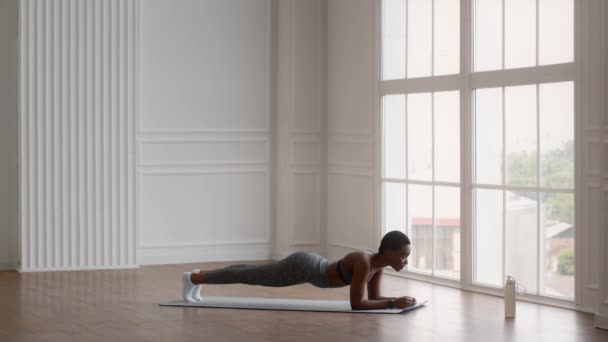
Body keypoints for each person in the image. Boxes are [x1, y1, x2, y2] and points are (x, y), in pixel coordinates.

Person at [182, 230, 417, 310]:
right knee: (251, 275)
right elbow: (357, 305)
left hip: (312, 265)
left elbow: (374, 298)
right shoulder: (365, 262)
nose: (405, 261)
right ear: (388, 252)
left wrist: (399, 300)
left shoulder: (378, 265)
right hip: (303, 267)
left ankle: (200, 276)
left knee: (251, 272)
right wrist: (393, 304)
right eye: (403, 255)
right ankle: (195, 277)